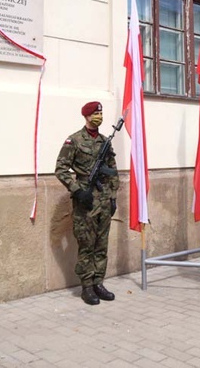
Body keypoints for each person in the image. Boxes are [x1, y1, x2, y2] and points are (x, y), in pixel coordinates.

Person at [55, 101, 120, 305]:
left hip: (103, 198)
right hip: (86, 200)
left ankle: (98, 282)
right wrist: (77, 190)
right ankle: (86, 287)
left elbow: (113, 170)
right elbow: (61, 169)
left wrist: (112, 197)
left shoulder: (105, 142)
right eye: (95, 113)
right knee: (86, 245)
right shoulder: (73, 140)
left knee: (101, 244)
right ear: (87, 116)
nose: (99, 116)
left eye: (101, 113)